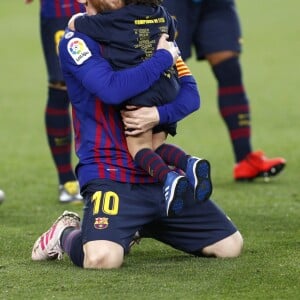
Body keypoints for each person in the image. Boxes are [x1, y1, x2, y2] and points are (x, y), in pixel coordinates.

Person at [31, 0, 243, 270]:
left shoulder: (153, 31)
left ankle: (137, 226)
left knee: (229, 245)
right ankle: (64, 234)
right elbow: (111, 90)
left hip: (156, 171)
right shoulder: (76, 40)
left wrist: (158, 115)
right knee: (102, 259)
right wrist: (163, 58)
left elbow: (191, 94)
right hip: (110, 173)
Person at [67, 0, 212, 216]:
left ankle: (169, 178)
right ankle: (189, 162)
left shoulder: (114, 20)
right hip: (169, 86)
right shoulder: (163, 14)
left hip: (143, 92)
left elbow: (77, 25)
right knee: (155, 145)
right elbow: (172, 34)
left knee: (139, 148)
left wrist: (75, 19)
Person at [158, 0, 286, 181]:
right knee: (166, 71)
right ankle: (143, 157)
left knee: (229, 71)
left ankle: (245, 159)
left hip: (216, 5)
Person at [24, 0, 85, 203]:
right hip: (61, 8)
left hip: (105, 7)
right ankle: (67, 180)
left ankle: (106, 175)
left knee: (105, 86)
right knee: (61, 87)